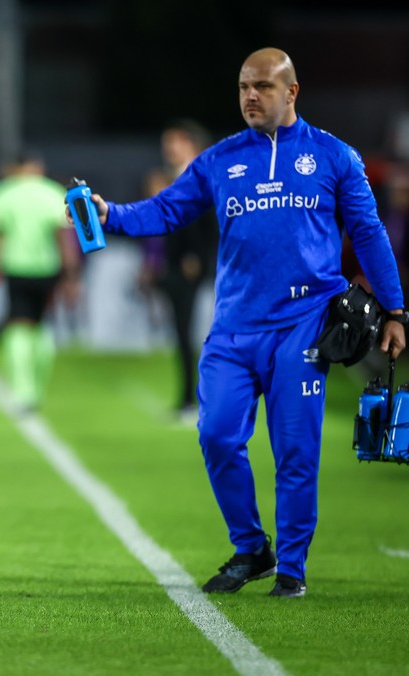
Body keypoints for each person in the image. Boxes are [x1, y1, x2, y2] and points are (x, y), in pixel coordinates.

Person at [70, 48, 406, 598]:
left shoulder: (334, 157)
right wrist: (111, 214)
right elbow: (168, 209)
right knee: (218, 435)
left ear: (292, 92)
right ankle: (252, 548)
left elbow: (368, 234)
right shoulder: (219, 160)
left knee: (295, 452)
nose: (251, 96)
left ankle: (292, 569)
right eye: (245, 87)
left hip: (303, 323)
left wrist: (395, 311)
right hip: (233, 328)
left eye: (264, 87)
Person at [0, 150, 79, 411]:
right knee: (41, 324)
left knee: (18, 324)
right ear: (37, 166)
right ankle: (38, 384)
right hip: (48, 268)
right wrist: (71, 276)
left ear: (14, 167)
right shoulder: (53, 192)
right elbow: (63, 237)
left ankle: (23, 390)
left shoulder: (0, 193)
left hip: (15, 268)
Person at [142, 120, 218, 421]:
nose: (168, 148)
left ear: (192, 145)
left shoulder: (201, 176)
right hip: (174, 267)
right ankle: (189, 398)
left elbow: (211, 225)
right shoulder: (171, 177)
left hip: (197, 269)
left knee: (203, 335)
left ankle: (200, 400)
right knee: (183, 335)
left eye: (175, 142)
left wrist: (197, 259)